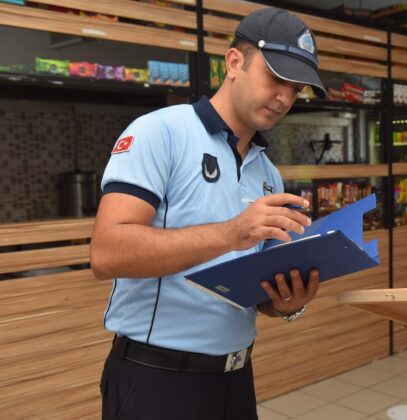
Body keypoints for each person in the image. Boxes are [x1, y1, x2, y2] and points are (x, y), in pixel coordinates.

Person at [90, 8, 327, 420]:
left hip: (236, 378)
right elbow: (107, 253)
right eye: (277, 79)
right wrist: (234, 232)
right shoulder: (159, 131)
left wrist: (288, 302)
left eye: (297, 88)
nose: (286, 98)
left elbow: (251, 294)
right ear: (234, 62)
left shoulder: (268, 172)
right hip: (155, 381)